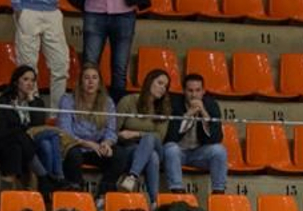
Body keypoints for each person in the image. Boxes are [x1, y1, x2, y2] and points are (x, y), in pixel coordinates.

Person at [59, 65, 132, 195]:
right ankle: (78, 191)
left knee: (120, 154)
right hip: (76, 147)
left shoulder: (107, 102)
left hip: (97, 149)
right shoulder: (67, 100)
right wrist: (87, 143)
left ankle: (103, 194)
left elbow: (111, 131)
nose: (90, 82)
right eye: (86, 78)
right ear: (80, 82)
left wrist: (107, 143)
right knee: (73, 154)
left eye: (94, 78)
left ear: (99, 83)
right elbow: (65, 132)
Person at [0, 65, 62, 191]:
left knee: (51, 137)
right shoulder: (4, 101)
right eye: (25, 79)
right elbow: (1, 127)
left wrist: (31, 102)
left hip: (33, 138)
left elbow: (38, 125)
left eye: (32, 80)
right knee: (46, 144)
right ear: (16, 82)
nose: (30, 83)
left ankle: (55, 178)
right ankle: (51, 180)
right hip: (10, 140)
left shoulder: (37, 102)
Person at [160, 73, 227, 196]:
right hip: (178, 152)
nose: (194, 94)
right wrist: (188, 115)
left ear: (203, 91)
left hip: (199, 153)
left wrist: (204, 114)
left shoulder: (211, 105)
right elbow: (170, 136)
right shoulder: (174, 104)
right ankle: (177, 191)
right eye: (190, 90)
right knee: (170, 148)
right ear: (184, 91)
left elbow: (217, 137)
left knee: (219, 150)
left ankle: (219, 192)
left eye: (197, 90)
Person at [116, 68, 170, 198]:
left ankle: (132, 176)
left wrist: (136, 134)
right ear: (149, 82)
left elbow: (160, 136)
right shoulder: (128, 101)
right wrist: (123, 135)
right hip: (130, 148)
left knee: (150, 138)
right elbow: (114, 131)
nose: (163, 88)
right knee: (152, 157)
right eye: (160, 83)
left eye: (166, 86)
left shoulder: (164, 108)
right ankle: (153, 201)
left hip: (156, 145)